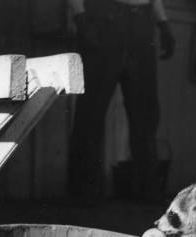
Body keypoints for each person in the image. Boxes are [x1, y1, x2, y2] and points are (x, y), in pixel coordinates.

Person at [67, 0, 175, 204]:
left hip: (141, 26)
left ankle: (147, 192)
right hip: (102, 21)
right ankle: (82, 193)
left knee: (146, 114)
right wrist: (81, 19)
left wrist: (163, 24)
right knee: (91, 112)